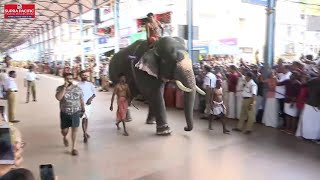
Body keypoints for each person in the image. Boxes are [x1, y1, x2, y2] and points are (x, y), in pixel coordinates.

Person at [55, 73, 85, 156]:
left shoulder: (78, 88)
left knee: (75, 129)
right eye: (68, 78)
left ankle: (74, 148)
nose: (69, 80)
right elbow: (58, 98)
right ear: (64, 79)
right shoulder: (60, 88)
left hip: (75, 111)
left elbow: (81, 99)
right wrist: (64, 88)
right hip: (64, 112)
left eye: (71, 78)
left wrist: (83, 108)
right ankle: (64, 137)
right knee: (64, 131)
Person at [77, 71, 96, 143]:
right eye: (83, 75)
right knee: (84, 119)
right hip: (81, 104)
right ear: (80, 76)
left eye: (85, 75)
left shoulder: (90, 84)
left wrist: (90, 99)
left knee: (86, 118)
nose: (84, 76)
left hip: (89, 104)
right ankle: (84, 134)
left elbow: (94, 94)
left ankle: (85, 132)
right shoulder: (78, 85)